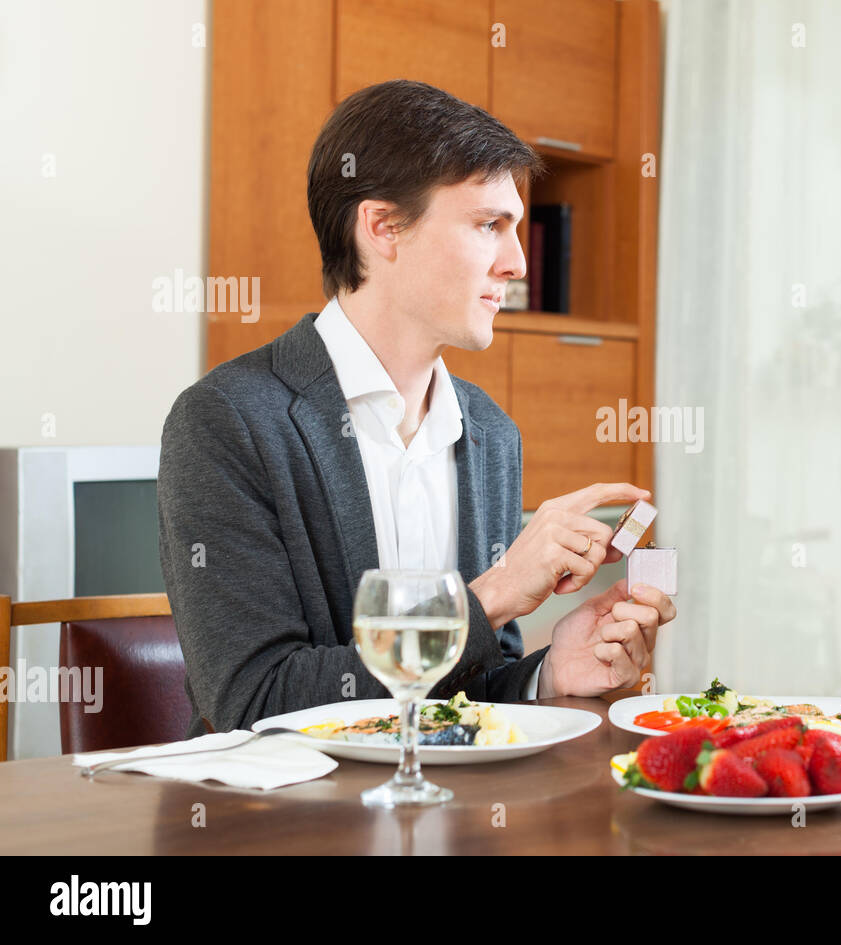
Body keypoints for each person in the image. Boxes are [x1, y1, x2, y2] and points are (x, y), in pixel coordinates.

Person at [158, 80, 675, 737]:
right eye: (490, 225)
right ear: (383, 228)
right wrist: (494, 593)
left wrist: (548, 674)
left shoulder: (489, 432)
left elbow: (469, 688)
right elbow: (257, 701)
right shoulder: (227, 423)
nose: (516, 263)